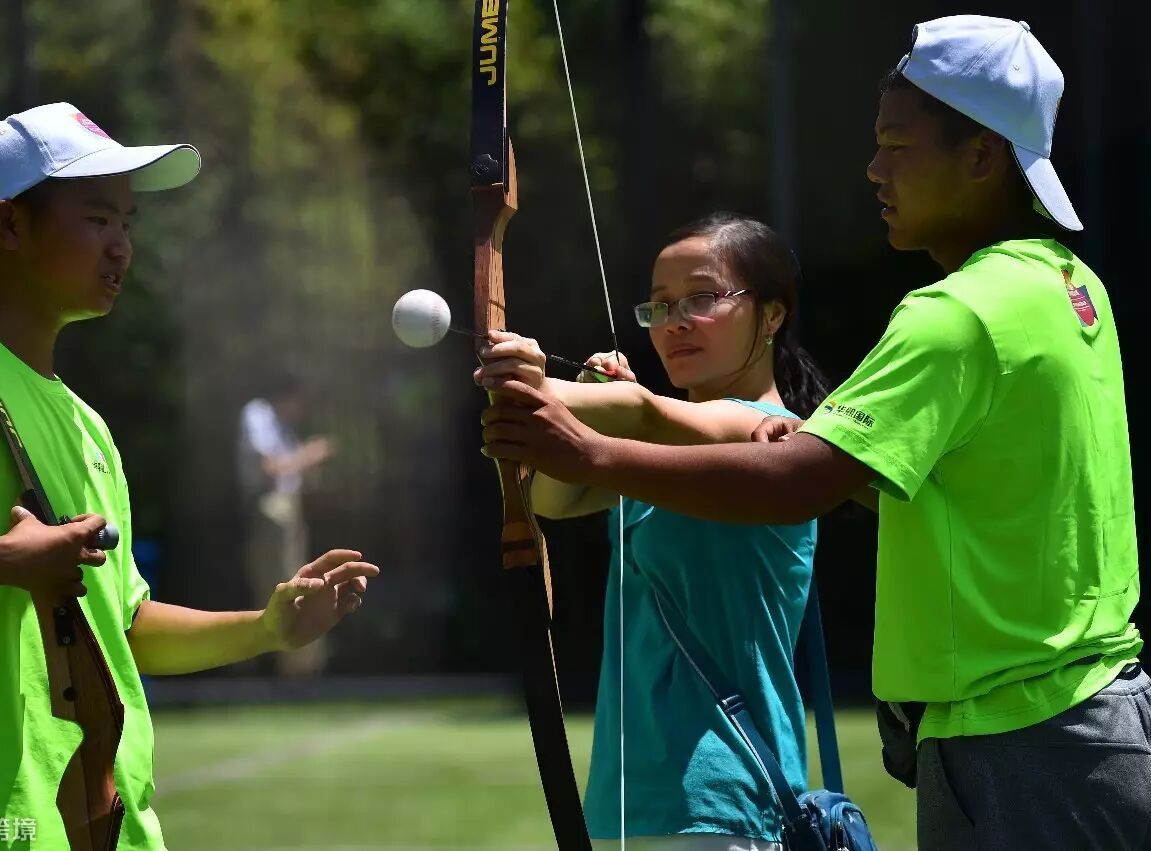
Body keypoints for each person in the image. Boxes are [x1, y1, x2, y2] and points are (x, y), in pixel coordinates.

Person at [481, 16, 1148, 850]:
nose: (873, 169)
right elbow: (999, 479)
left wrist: (579, 441)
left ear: (981, 156)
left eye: (896, 146)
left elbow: (791, 480)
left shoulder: (959, 312)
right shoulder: (1069, 286)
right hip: (1080, 718)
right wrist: (845, 466)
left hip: (1021, 732)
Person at [0, 102, 378, 849]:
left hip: (111, 829)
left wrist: (267, 628)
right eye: (97, 219)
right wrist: (5, 561)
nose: (121, 247)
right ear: (9, 227)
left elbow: (125, 626)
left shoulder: (89, 427)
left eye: (127, 224)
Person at [476, 213, 830, 849]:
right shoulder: (657, 444)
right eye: (660, 306)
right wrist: (584, 407)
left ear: (772, 315)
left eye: (702, 298)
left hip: (726, 789)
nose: (675, 322)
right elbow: (555, 499)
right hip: (633, 795)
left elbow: (641, 411)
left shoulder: (771, 434)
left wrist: (539, 383)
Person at [237, 375, 334, 675]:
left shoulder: (285, 428)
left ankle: (296, 669)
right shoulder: (258, 414)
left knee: (293, 583)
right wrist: (310, 455)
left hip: (288, 512)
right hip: (269, 510)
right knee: (280, 587)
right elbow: (271, 467)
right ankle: (282, 670)